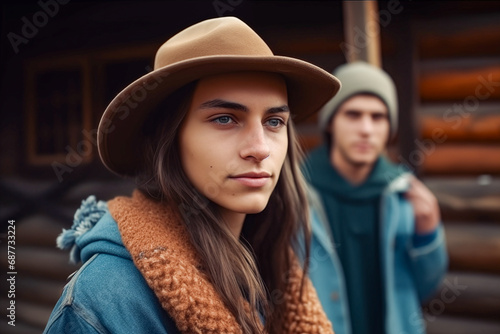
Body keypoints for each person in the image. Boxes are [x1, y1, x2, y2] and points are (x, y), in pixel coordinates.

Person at [43, 16, 342, 333]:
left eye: (274, 122)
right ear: (169, 139)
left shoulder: (279, 275)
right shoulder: (101, 304)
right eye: (225, 119)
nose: (260, 148)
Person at [303, 61, 448, 334]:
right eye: (353, 115)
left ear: (390, 127)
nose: (366, 129)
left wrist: (428, 233)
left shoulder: (404, 195)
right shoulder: (295, 193)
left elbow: (427, 288)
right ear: (331, 122)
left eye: (378, 117)